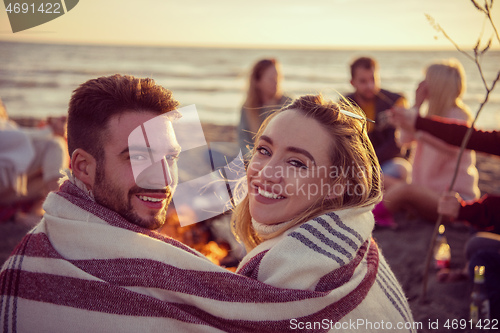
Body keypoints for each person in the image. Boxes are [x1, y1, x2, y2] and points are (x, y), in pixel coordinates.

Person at [0, 75, 413, 332]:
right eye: (264, 151)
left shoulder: (313, 270)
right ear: (83, 168)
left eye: (172, 157)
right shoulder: (33, 275)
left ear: (334, 182)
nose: (164, 181)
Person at [231, 94, 415, 329]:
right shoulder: (353, 240)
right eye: (264, 150)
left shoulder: (287, 270)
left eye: (296, 163)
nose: (266, 173)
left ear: (336, 185)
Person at [391, 105, 500, 320]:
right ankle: (470, 272)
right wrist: (418, 120)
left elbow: (465, 139)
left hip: (449, 196)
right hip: (441, 195)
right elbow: (470, 137)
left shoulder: (458, 111)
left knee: (481, 256)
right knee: (475, 243)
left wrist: (465, 210)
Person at [375, 59, 480, 226]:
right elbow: (404, 141)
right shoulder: (428, 116)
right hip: (425, 191)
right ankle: (384, 207)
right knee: (375, 178)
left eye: (426, 80)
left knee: (406, 190)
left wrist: (416, 126)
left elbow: (448, 146)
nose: (421, 85)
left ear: (438, 86)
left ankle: (375, 217)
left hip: (452, 201)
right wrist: (416, 106)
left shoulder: (459, 116)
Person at [0, 98, 69, 223]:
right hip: (4, 181)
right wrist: (50, 130)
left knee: (46, 177)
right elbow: (20, 136)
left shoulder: (8, 125)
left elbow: (19, 136)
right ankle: (59, 211)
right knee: (55, 145)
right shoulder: (5, 128)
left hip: (8, 191)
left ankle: (35, 215)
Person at [345, 56, 410, 182]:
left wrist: (369, 164)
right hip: (357, 167)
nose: (370, 85)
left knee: (401, 168)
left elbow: (396, 145)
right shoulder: (345, 105)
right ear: (352, 83)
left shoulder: (395, 101)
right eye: (363, 81)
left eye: (373, 79)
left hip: (386, 164)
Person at [237, 58, 291, 159]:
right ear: (258, 82)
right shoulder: (247, 108)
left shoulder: (288, 104)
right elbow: (242, 140)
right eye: (271, 79)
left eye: (277, 78)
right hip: (254, 158)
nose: (276, 83)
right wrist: (254, 157)